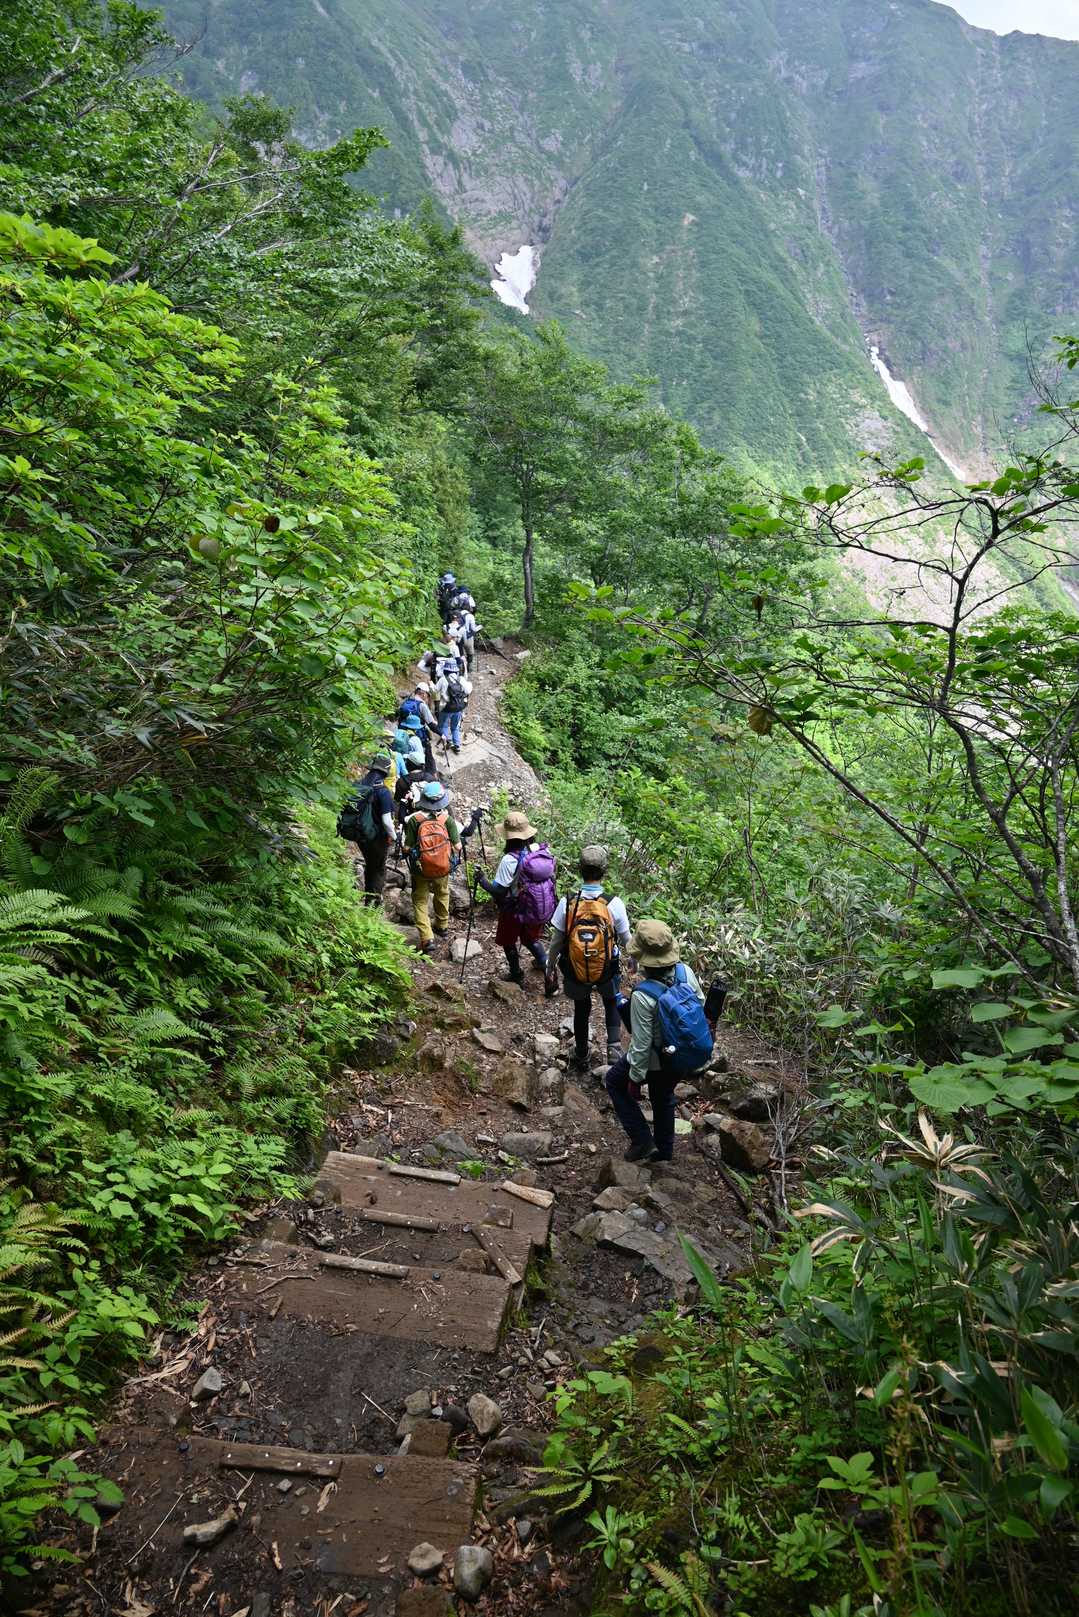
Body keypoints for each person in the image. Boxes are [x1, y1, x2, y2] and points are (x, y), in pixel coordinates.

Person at [605, 919, 710, 1163]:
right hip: (682, 1053)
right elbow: (700, 1005)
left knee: (614, 1081)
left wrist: (634, 1079)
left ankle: (642, 1140)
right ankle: (663, 1152)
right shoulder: (685, 973)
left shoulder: (643, 995)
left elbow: (641, 1045)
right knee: (663, 1098)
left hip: (656, 1060)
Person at [546, 845, 632, 1073]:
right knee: (611, 1002)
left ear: (580, 870)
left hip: (576, 968)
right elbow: (626, 939)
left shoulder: (568, 902)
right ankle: (614, 1050)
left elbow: (557, 941)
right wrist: (634, 961)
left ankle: (582, 1052)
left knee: (581, 1006)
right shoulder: (613, 903)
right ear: (604, 871)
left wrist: (550, 965)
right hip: (607, 968)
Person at [476, 810, 556, 983]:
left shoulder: (509, 860)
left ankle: (516, 974)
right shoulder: (541, 850)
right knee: (531, 939)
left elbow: (499, 891)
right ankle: (548, 970)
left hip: (513, 909)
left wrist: (482, 880)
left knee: (508, 941)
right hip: (536, 905)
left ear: (509, 837)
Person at [404, 779, 461, 954]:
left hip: (421, 869)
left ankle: (427, 938)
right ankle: (442, 926)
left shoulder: (415, 820)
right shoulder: (447, 820)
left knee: (420, 899)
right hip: (442, 867)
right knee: (442, 893)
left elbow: (407, 848)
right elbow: (458, 846)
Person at [337, 753, 396, 905]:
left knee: (370, 864)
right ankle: (373, 903)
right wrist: (395, 837)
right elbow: (387, 821)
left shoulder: (358, 785)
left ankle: (369, 898)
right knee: (378, 868)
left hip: (360, 833)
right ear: (386, 771)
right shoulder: (383, 791)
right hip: (377, 837)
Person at [398, 684, 438, 770]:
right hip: (418, 735)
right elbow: (431, 724)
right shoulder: (422, 705)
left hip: (403, 733)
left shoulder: (406, 701)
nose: (427, 697)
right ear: (423, 693)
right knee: (424, 753)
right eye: (427, 694)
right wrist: (441, 734)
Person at [437, 665, 471, 752]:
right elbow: (468, 690)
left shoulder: (442, 679)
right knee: (455, 726)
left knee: (442, 725)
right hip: (458, 707)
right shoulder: (460, 679)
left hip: (446, 707)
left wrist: (431, 685)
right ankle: (457, 745)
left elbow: (435, 690)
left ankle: (448, 741)